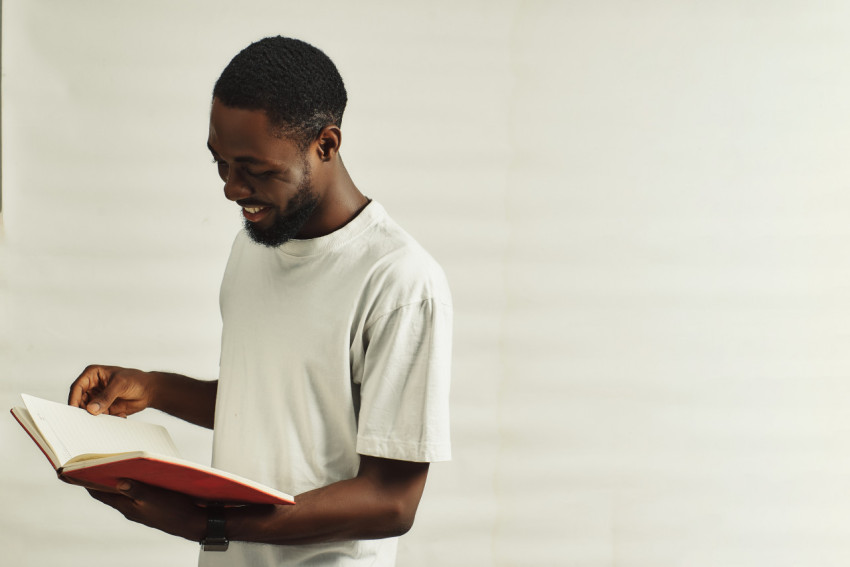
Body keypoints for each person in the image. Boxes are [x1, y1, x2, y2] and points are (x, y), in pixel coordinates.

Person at [67, 36, 452, 567]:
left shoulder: (400, 283)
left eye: (255, 169)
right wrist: (153, 387)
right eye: (220, 163)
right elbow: (275, 401)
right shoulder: (254, 243)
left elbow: (393, 500)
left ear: (326, 145)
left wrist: (208, 523)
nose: (230, 188)